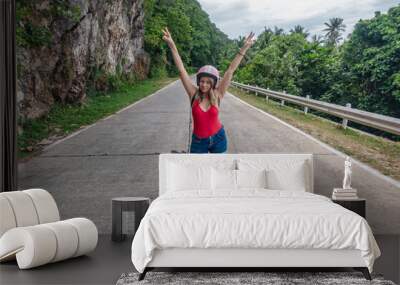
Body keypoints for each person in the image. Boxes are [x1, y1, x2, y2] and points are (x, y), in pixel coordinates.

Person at [162, 27, 255, 153]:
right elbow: (181, 70)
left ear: (213, 84)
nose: (204, 85)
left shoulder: (218, 94)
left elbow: (230, 70)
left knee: (219, 171)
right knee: (198, 172)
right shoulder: (193, 93)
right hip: (198, 142)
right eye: (202, 81)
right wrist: (172, 45)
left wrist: (245, 48)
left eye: (208, 82)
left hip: (218, 138)